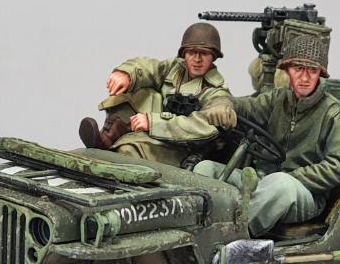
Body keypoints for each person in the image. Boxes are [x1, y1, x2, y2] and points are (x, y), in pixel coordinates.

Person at [193, 28, 340, 237]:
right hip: (262, 181)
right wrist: (223, 102)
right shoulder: (278, 99)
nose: (304, 77)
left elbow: (337, 167)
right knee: (205, 169)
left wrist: (292, 176)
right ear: (287, 70)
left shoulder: (336, 114)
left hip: (304, 193)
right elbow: (245, 106)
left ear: (320, 74)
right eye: (298, 69)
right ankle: (195, 228)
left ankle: (231, 237)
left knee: (280, 184)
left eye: (312, 71)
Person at [78, 22, 236, 168]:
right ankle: (108, 137)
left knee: (129, 149)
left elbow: (202, 127)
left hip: (182, 149)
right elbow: (149, 67)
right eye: (192, 52)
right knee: (140, 91)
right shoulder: (175, 69)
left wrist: (152, 122)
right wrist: (127, 74)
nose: (197, 59)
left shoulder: (217, 94)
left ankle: (118, 157)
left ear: (214, 56)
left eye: (204, 53)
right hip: (157, 132)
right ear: (184, 54)